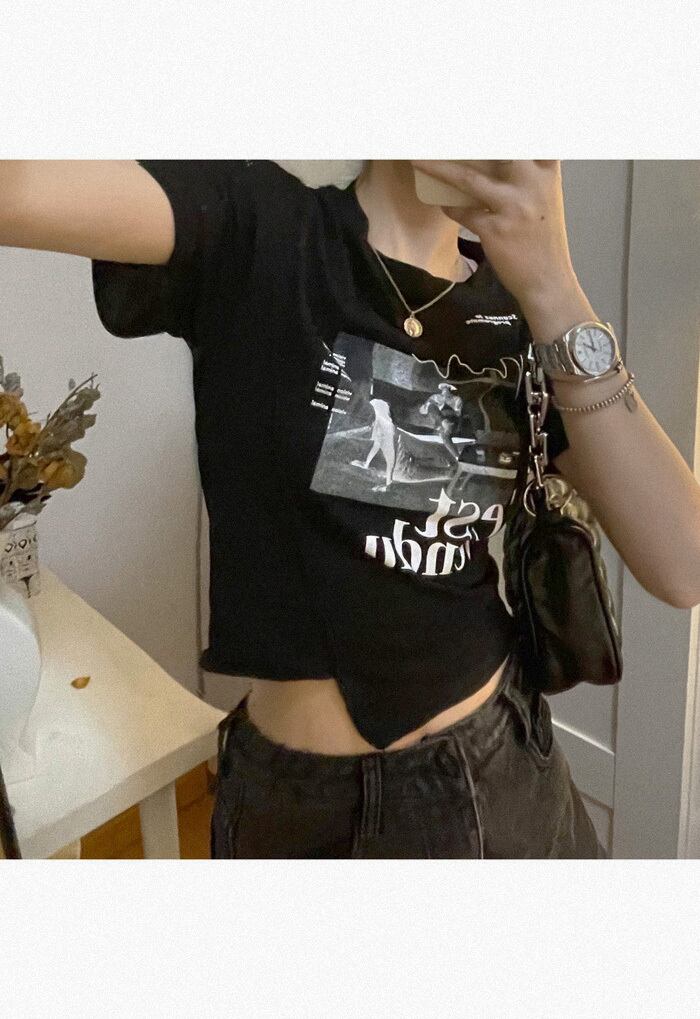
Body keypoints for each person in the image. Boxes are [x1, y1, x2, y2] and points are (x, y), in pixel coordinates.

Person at [2, 159, 700, 858]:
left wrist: (555, 286)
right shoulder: (263, 225)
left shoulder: (519, 309)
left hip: (506, 769)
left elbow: (683, 563)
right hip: (285, 800)